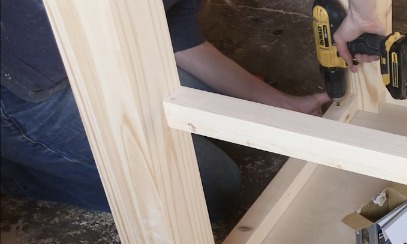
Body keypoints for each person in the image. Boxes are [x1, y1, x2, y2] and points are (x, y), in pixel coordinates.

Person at [0, 0, 381, 220]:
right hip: (25, 87)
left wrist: (279, 104)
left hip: (102, 53)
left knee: (220, 117)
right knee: (208, 190)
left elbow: (176, 34)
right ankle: (18, 171)